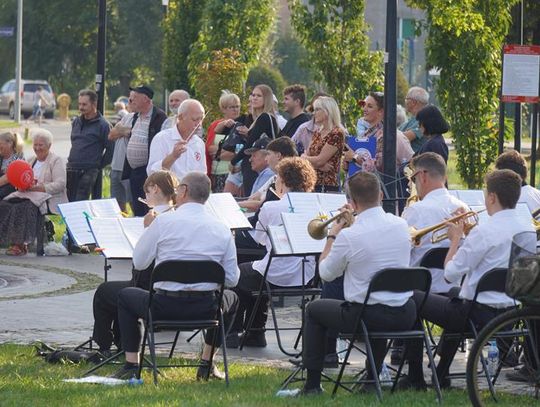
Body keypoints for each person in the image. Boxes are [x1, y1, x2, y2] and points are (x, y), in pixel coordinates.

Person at [403, 169, 536, 390]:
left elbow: (450, 273)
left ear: (492, 197)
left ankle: (415, 376)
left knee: (412, 297)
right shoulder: (528, 230)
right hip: (510, 313)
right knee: (456, 296)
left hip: (475, 315)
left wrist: (456, 239)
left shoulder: (484, 231)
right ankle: (441, 373)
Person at [288, 171, 416, 397]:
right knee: (373, 299)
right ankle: (370, 379)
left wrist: (333, 234)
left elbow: (326, 273)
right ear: (381, 194)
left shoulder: (349, 235)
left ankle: (312, 386)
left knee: (314, 310)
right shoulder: (400, 224)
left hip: (366, 317)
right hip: (404, 313)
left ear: (352, 202)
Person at [112, 172, 239, 380]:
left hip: (163, 307)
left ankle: (131, 364)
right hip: (206, 310)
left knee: (126, 296)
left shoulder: (163, 223)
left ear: (184, 191)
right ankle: (207, 363)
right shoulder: (223, 228)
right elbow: (232, 280)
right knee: (233, 299)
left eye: (180, 187)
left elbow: (140, 262)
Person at [229, 157, 318, 348]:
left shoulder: (272, 206)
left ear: (284, 180)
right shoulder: (317, 207)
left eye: (277, 177)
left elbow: (258, 240)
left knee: (238, 275)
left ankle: (235, 332)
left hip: (276, 273)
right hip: (308, 275)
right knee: (254, 275)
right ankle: (255, 332)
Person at [92, 171, 178, 355]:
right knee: (115, 290)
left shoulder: (157, 220)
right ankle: (120, 340)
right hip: (174, 289)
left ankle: (105, 346)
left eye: (147, 191)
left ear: (155, 189)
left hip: (150, 288)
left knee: (104, 291)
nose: (145, 196)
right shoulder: (177, 216)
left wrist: (147, 229)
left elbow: (140, 263)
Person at [0, 129, 67, 256]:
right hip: (28, 194)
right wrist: (21, 185)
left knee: (24, 206)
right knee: (6, 203)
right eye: (35, 145)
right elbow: (22, 178)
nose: (37, 148)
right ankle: (8, 240)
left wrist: (39, 187)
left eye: (40, 145)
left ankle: (21, 244)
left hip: (47, 197)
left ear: (49, 145)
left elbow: (60, 184)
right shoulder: (31, 160)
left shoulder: (56, 160)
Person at [122, 85, 167, 216]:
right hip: (134, 172)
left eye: (134, 98)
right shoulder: (135, 117)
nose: (131, 102)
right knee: (137, 207)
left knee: (148, 207)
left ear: (146, 99)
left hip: (148, 172)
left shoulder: (159, 117)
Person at [344, 92, 413, 173]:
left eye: (369, 106)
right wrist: (348, 165)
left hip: (385, 185)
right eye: (364, 105)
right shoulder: (366, 134)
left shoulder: (394, 136)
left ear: (381, 111)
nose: (364, 109)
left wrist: (355, 157)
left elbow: (379, 167)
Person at [229, 84, 278, 197]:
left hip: (260, 163)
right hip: (257, 162)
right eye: (253, 95)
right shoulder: (262, 118)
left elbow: (250, 144)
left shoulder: (265, 117)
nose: (254, 98)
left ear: (266, 99)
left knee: (253, 198)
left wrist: (234, 161)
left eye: (259, 96)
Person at [66, 89, 113, 202]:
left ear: (94, 104)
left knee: (80, 201)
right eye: (80, 104)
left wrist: (97, 165)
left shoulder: (103, 125)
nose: (81, 107)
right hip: (72, 168)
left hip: (89, 169)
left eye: (84, 104)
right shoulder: (76, 122)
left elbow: (111, 149)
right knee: (69, 202)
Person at [147, 99, 207, 181]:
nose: (199, 124)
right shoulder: (162, 138)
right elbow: (152, 172)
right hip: (170, 191)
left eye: (201, 119)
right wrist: (173, 156)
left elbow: (202, 173)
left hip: (193, 191)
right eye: (194, 119)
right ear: (180, 117)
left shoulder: (199, 143)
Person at [301, 96, 345, 192]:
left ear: (327, 111)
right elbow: (306, 158)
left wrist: (308, 159)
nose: (313, 113)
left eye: (317, 109)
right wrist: (318, 165)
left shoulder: (336, 133)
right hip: (311, 183)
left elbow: (319, 160)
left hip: (327, 186)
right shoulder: (317, 132)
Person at [205, 91, 242, 192]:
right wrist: (228, 151)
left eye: (237, 106)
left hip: (233, 172)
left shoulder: (242, 125)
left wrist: (220, 153)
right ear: (224, 109)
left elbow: (238, 153)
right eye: (232, 107)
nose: (236, 110)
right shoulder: (216, 125)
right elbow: (210, 149)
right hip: (215, 173)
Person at [109, 100, 134, 212]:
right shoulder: (126, 117)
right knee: (117, 202)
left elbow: (131, 133)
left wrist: (120, 130)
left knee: (133, 201)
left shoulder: (143, 120)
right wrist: (124, 131)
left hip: (129, 169)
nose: (130, 102)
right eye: (130, 100)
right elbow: (111, 135)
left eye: (133, 100)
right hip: (116, 167)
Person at [400, 87, 429, 153]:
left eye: (406, 99)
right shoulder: (412, 119)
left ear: (414, 102)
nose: (405, 102)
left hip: (416, 162)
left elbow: (403, 138)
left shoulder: (424, 120)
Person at [0, 132, 24, 200]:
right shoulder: (1, 156)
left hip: (13, 188)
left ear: (10, 144)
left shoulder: (18, 157)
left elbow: (8, 178)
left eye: (0, 144)